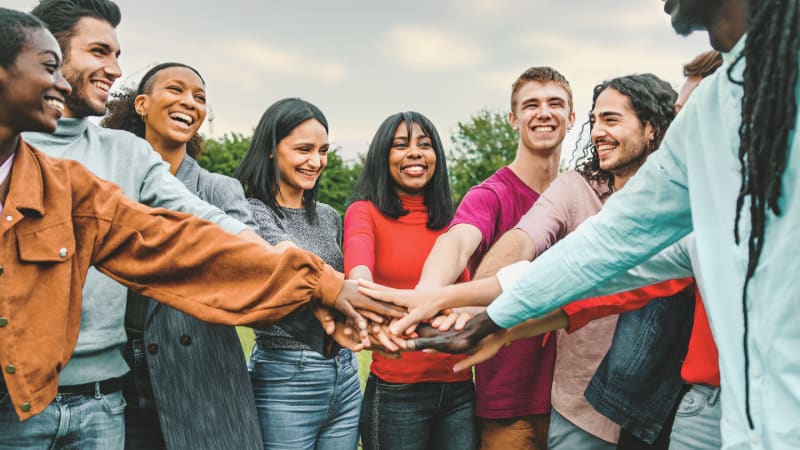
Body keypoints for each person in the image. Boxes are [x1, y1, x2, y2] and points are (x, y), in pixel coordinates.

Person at [399, 0, 800, 447]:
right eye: (595, 121)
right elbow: (605, 250)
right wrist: (482, 313)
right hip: (673, 413)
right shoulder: (709, 111)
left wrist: (488, 313)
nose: (597, 132)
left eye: (611, 119)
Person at [0, 8, 399, 450]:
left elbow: (194, 236)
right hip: (17, 402)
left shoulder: (85, 180)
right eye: (54, 65)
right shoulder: (38, 169)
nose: (114, 70)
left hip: (104, 398)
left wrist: (321, 287)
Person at [412, 66, 574, 450]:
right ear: (513, 119)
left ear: (572, 117)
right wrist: (426, 294)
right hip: (511, 399)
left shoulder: (580, 194)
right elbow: (456, 243)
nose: (544, 112)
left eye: (555, 103)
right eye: (531, 104)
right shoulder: (491, 194)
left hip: (577, 400)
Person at [101, 63, 261, 449]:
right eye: (176, 90)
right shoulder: (104, 183)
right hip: (114, 379)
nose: (189, 102)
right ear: (141, 103)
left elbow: (251, 264)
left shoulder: (218, 189)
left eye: (200, 97)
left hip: (200, 380)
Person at [344, 111, 477, 450]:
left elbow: (466, 294)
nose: (415, 153)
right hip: (397, 390)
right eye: (400, 145)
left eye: (425, 144)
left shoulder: (455, 219)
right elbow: (359, 266)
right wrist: (360, 288)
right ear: (382, 157)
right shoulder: (365, 212)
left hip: (459, 387)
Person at [234, 98, 361, 450]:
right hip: (286, 374)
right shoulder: (251, 212)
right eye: (303, 149)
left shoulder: (328, 216)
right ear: (272, 150)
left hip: (346, 372)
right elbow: (291, 260)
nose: (316, 161)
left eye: (323, 151)